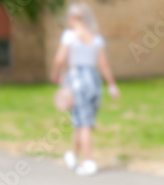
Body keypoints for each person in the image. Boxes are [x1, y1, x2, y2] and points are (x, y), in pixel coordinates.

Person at [51, 2, 119, 176]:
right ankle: (73, 155)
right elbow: (103, 65)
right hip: (93, 82)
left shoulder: (69, 36)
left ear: (74, 18)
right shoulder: (96, 39)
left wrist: (55, 74)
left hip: (77, 82)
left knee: (84, 123)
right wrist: (111, 86)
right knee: (81, 121)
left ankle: (89, 161)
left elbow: (59, 59)